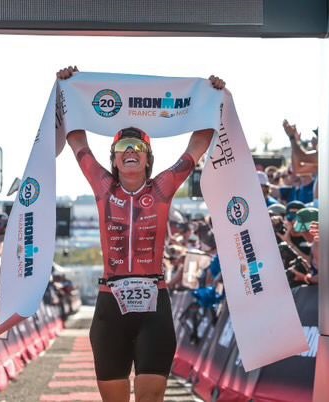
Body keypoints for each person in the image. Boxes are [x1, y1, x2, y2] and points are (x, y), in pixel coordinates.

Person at [57, 65, 225, 402]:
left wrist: (211, 97)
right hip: (110, 305)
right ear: (115, 160)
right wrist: (67, 89)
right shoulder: (103, 187)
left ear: (148, 159)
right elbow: (77, 141)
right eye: (123, 146)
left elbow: (197, 145)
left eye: (137, 146)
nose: (131, 150)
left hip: (154, 305)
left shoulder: (162, 188)